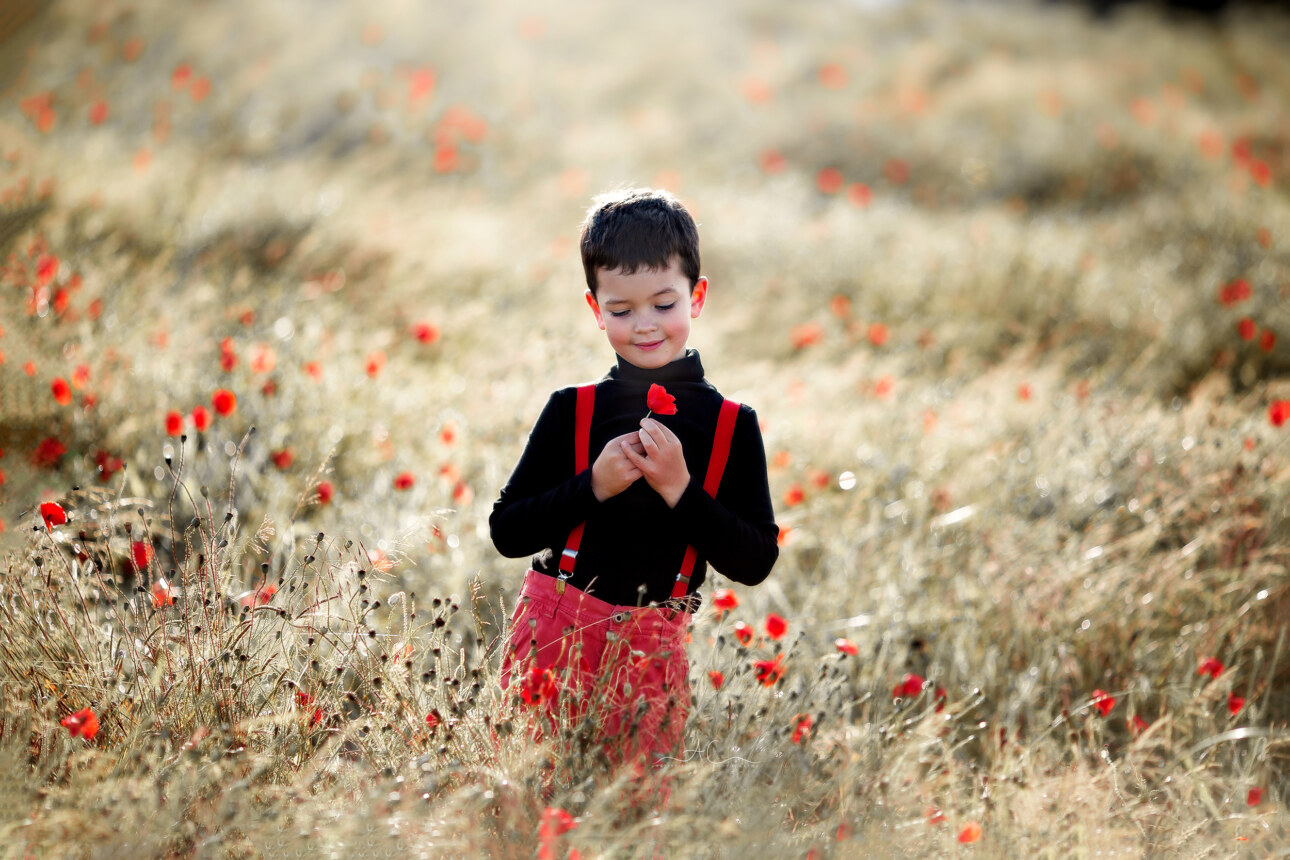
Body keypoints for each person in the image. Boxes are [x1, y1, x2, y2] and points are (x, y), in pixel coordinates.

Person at [490, 188, 779, 767]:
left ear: (696, 297)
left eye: (663, 304)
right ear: (596, 310)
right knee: (528, 790)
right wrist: (592, 486)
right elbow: (508, 532)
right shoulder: (571, 409)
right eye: (621, 311)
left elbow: (753, 562)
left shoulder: (731, 425)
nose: (644, 325)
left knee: (639, 811)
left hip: (654, 646)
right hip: (554, 626)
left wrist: (681, 490)